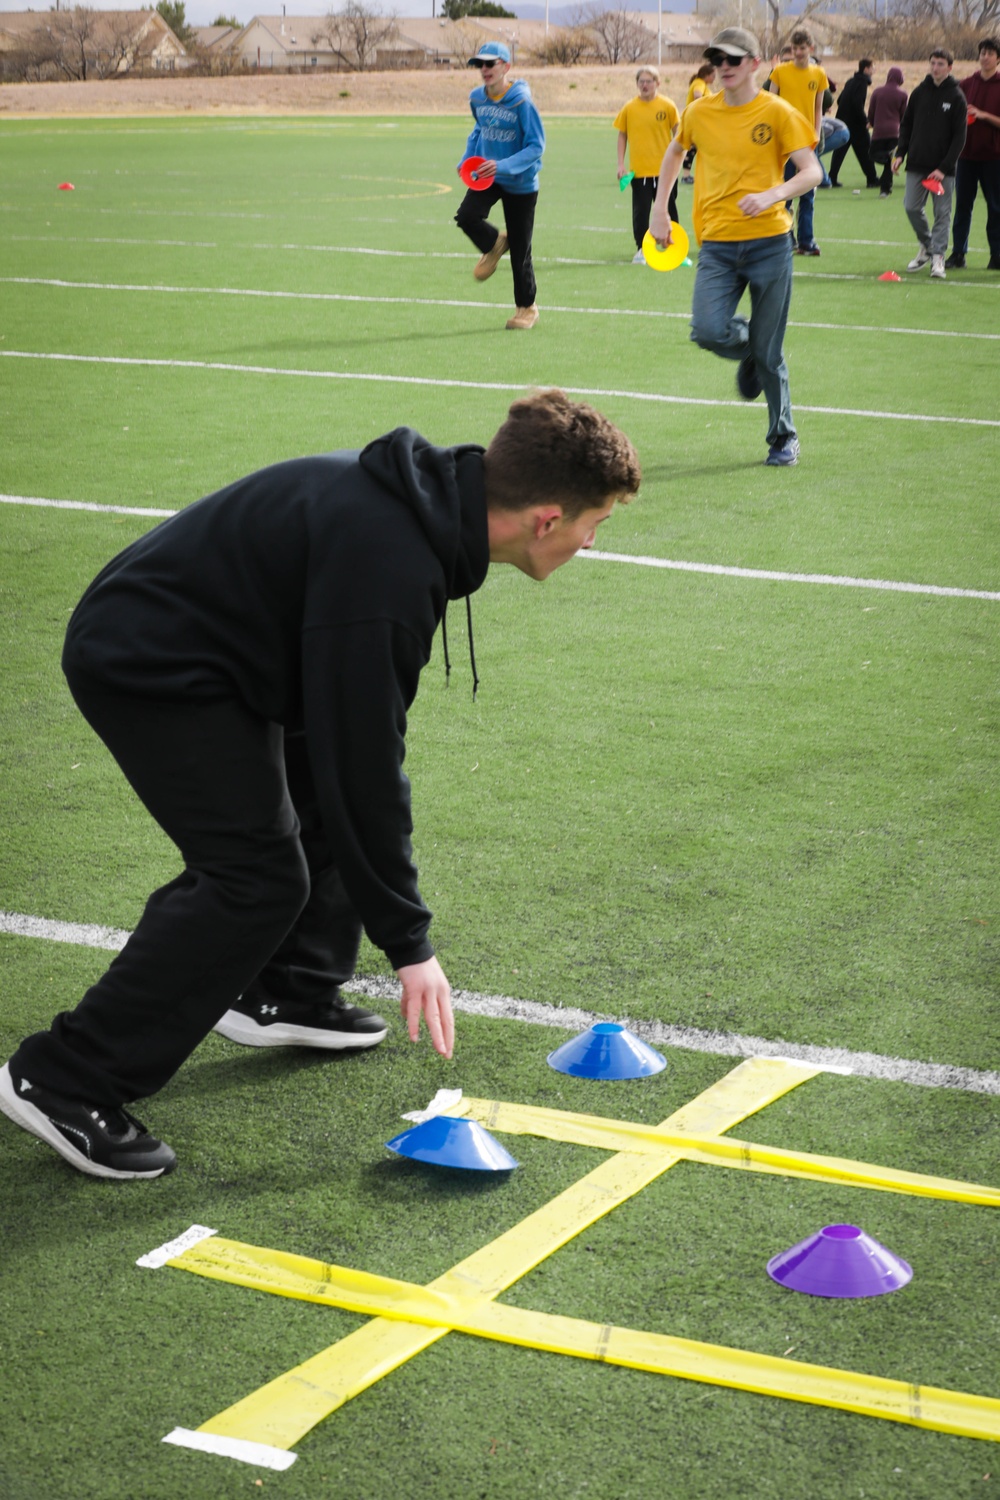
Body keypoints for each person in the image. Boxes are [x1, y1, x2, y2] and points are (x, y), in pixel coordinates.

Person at [0, 391, 641, 1181]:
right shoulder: (393, 564)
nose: (591, 542)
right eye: (596, 524)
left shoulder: (424, 519)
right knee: (253, 877)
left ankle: (286, 993)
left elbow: (346, 762)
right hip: (153, 661)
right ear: (547, 519)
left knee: (319, 808)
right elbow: (365, 763)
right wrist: (409, 944)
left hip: (243, 657)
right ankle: (65, 1077)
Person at [649, 27, 822, 468]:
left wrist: (772, 195)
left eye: (732, 59)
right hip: (718, 246)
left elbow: (811, 172)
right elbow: (673, 154)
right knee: (707, 330)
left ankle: (783, 437)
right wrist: (660, 209)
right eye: (717, 59)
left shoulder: (778, 112)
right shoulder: (698, 112)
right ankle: (748, 348)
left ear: (754, 64)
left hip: (770, 244)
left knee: (770, 353)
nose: (723, 66)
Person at [455, 40, 545, 332]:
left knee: (521, 251)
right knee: (467, 216)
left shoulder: (521, 101)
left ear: (506, 66)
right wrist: (468, 159)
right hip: (488, 174)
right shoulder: (477, 99)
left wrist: (503, 165)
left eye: (490, 64)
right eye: (480, 64)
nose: (484, 69)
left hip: (520, 180)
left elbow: (536, 146)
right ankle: (494, 244)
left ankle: (527, 308)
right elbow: (479, 129)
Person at [893, 48, 968, 280]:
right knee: (911, 207)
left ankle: (938, 258)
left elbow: (960, 138)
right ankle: (928, 245)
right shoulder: (918, 93)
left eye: (941, 64)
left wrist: (943, 168)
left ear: (949, 67)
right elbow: (906, 125)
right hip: (917, 163)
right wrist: (900, 153)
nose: (935, 68)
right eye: (933, 63)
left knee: (942, 213)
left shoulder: (956, 97)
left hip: (943, 170)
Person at [768, 29, 828, 254]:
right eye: (794, 49)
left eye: (802, 49)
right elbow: (770, 103)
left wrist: (816, 134)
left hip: (807, 143)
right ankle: (783, 238)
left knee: (808, 195)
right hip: (783, 142)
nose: (798, 53)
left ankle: (807, 241)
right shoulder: (780, 71)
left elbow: (818, 107)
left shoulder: (819, 74)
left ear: (810, 49)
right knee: (784, 194)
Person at [614, 66, 681, 263]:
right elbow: (622, 135)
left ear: (657, 83)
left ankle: (673, 247)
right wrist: (620, 164)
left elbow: (679, 132)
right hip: (640, 171)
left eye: (648, 81)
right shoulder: (629, 108)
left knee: (669, 208)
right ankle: (642, 248)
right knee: (641, 212)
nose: (644, 85)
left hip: (665, 171)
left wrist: (677, 158)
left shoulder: (667, 106)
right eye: (641, 81)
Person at [947, 36, 1000, 269]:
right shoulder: (965, 84)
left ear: (998, 59)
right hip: (966, 156)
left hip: (994, 157)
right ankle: (958, 253)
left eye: (990, 53)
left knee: (996, 208)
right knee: (962, 207)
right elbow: (950, 115)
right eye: (982, 52)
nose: (985, 57)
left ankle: (996, 255)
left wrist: (983, 115)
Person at [829, 58, 878, 187]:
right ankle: (872, 179)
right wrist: (865, 120)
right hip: (856, 125)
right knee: (865, 150)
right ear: (866, 69)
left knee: (839, 152)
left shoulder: (851, 81)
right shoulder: (862, 83)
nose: (874, 70)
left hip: (842, 122)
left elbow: (840, 100)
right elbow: (857, 104)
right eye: (872, 68)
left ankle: (831, 178)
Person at [867, 66, 909, 197]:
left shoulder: (877, 92)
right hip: (894, 132)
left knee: (872, 154)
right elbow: (904, 115)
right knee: (889, 162)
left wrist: (871, 122)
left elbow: (871, 111)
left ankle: (885, 188)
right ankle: (885, 189)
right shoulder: (903, 94)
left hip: (878, 131)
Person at [681, 62, 716, 182]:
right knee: (693, 148)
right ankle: (686, 176)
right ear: (706, 75)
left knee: (696, 148)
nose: (714, 78)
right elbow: (697, 96)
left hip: (697, 120)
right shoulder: (699, 83)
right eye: (713, 75)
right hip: (696, 121)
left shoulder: (702, 84)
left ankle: (688, 175)